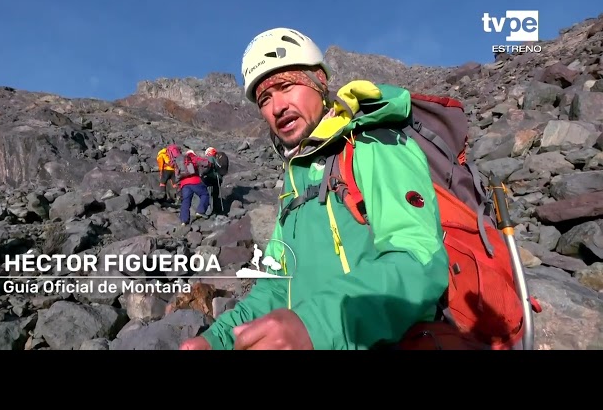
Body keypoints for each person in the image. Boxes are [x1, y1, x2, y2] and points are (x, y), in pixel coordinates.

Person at [179, 27, 449, 350]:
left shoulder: (373, 145)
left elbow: (418, 261)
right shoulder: (294, 184)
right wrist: (215, 339)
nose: (277, 107)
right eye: (265, 98)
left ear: (320, 80)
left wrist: (314, 326)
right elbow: (276, 288)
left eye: (286, 86)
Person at [176, 149, 211, 226]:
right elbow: (206, 163)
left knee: (185, 201)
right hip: (195, 181)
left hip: (184, 184)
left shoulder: (180, 162)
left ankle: (183, 221)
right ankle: (200, 211)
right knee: (204, 194)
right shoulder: (193, 158)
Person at [202, 147, 226, 214]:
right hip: (218, 178)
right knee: (215, 195)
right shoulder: (217, 158)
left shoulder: (210, 158)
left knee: (203, 191)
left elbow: (209, 167)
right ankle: (217, 210)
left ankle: (205, 208)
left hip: (211, 177)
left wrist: (203, 174)